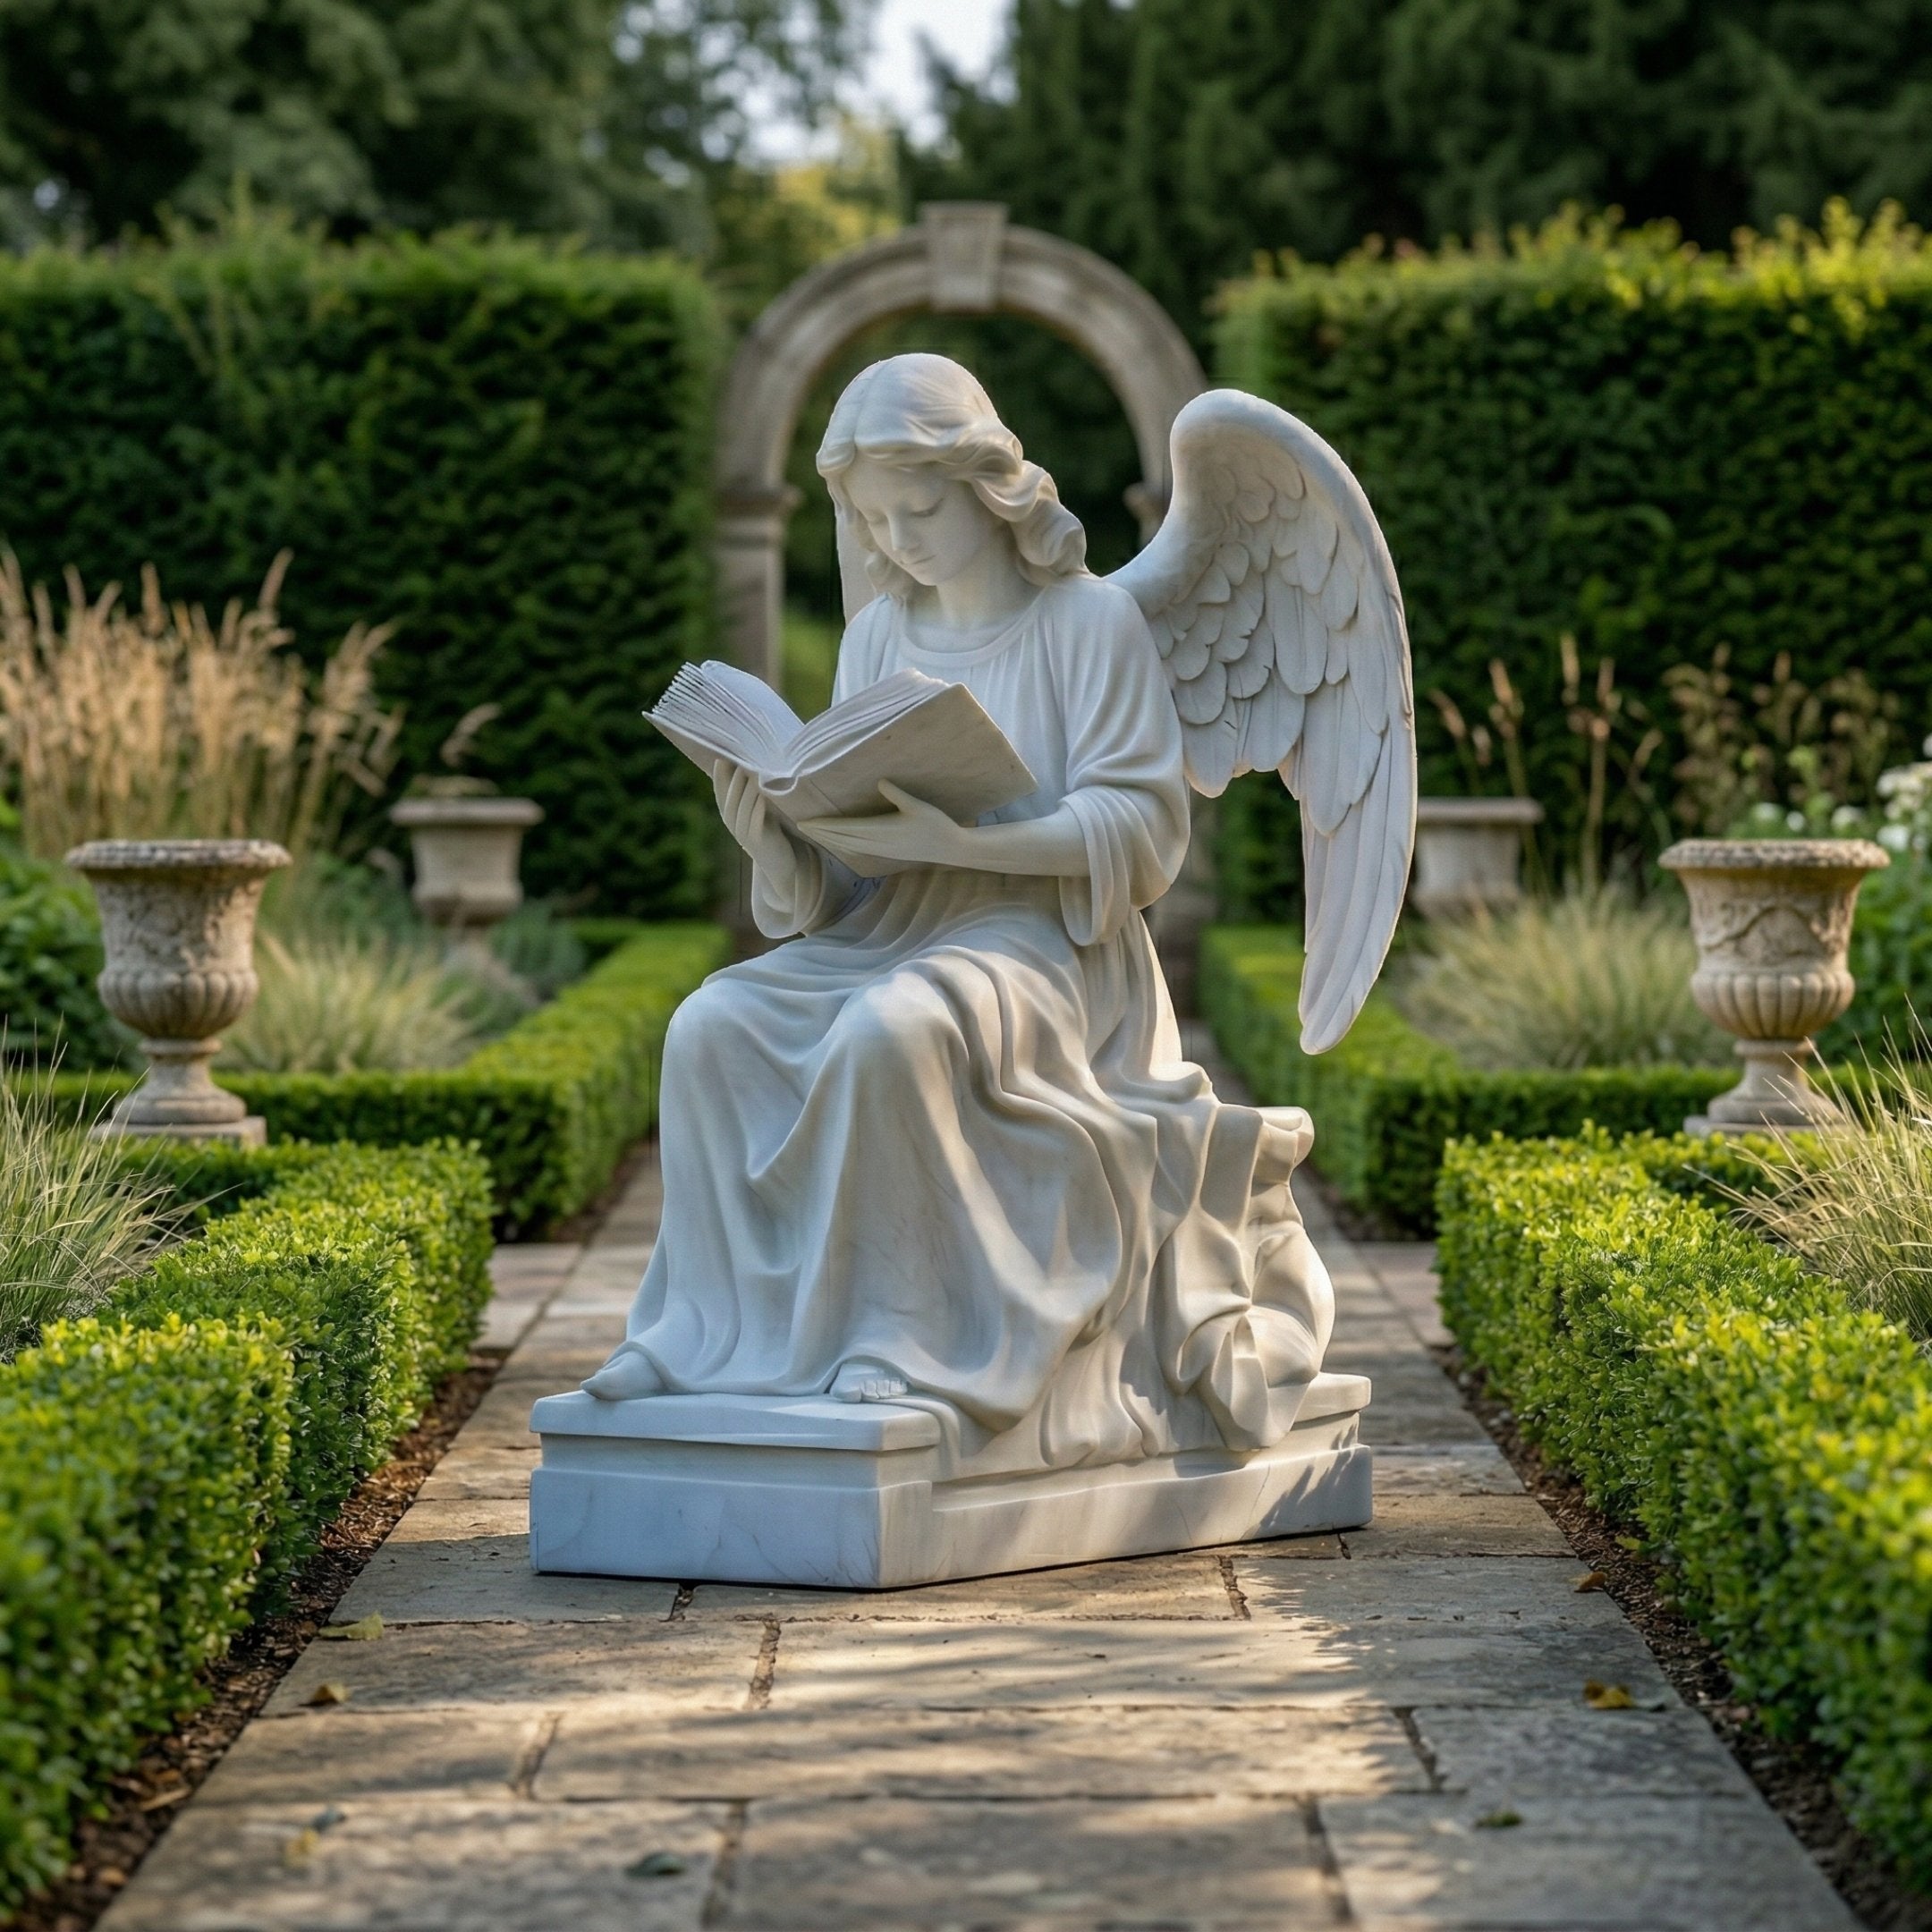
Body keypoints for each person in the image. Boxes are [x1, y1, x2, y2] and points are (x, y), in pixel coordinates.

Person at [583, 352, 1329, 1478]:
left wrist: (971, 847)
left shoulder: (1089, 623)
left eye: (920, 509)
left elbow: (1143, 831)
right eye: (875, 518)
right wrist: (777, 831)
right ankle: (702, 1337)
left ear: (987, 484)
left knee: (896, 1031)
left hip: (1052, 949)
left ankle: (907, 1338)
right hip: (900, 927)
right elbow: (855, 877)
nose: (899, 539)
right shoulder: (880, 634)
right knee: (712, 1025)